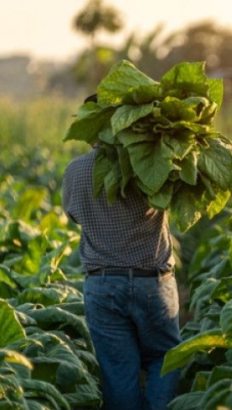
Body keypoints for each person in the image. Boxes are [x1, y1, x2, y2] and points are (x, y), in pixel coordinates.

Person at [62, 95, 181, 410]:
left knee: (117, 371)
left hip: (102, 285)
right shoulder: (152, 162)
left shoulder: (75, 170)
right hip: (152, 281)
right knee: (163, 358)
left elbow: (73, 215)